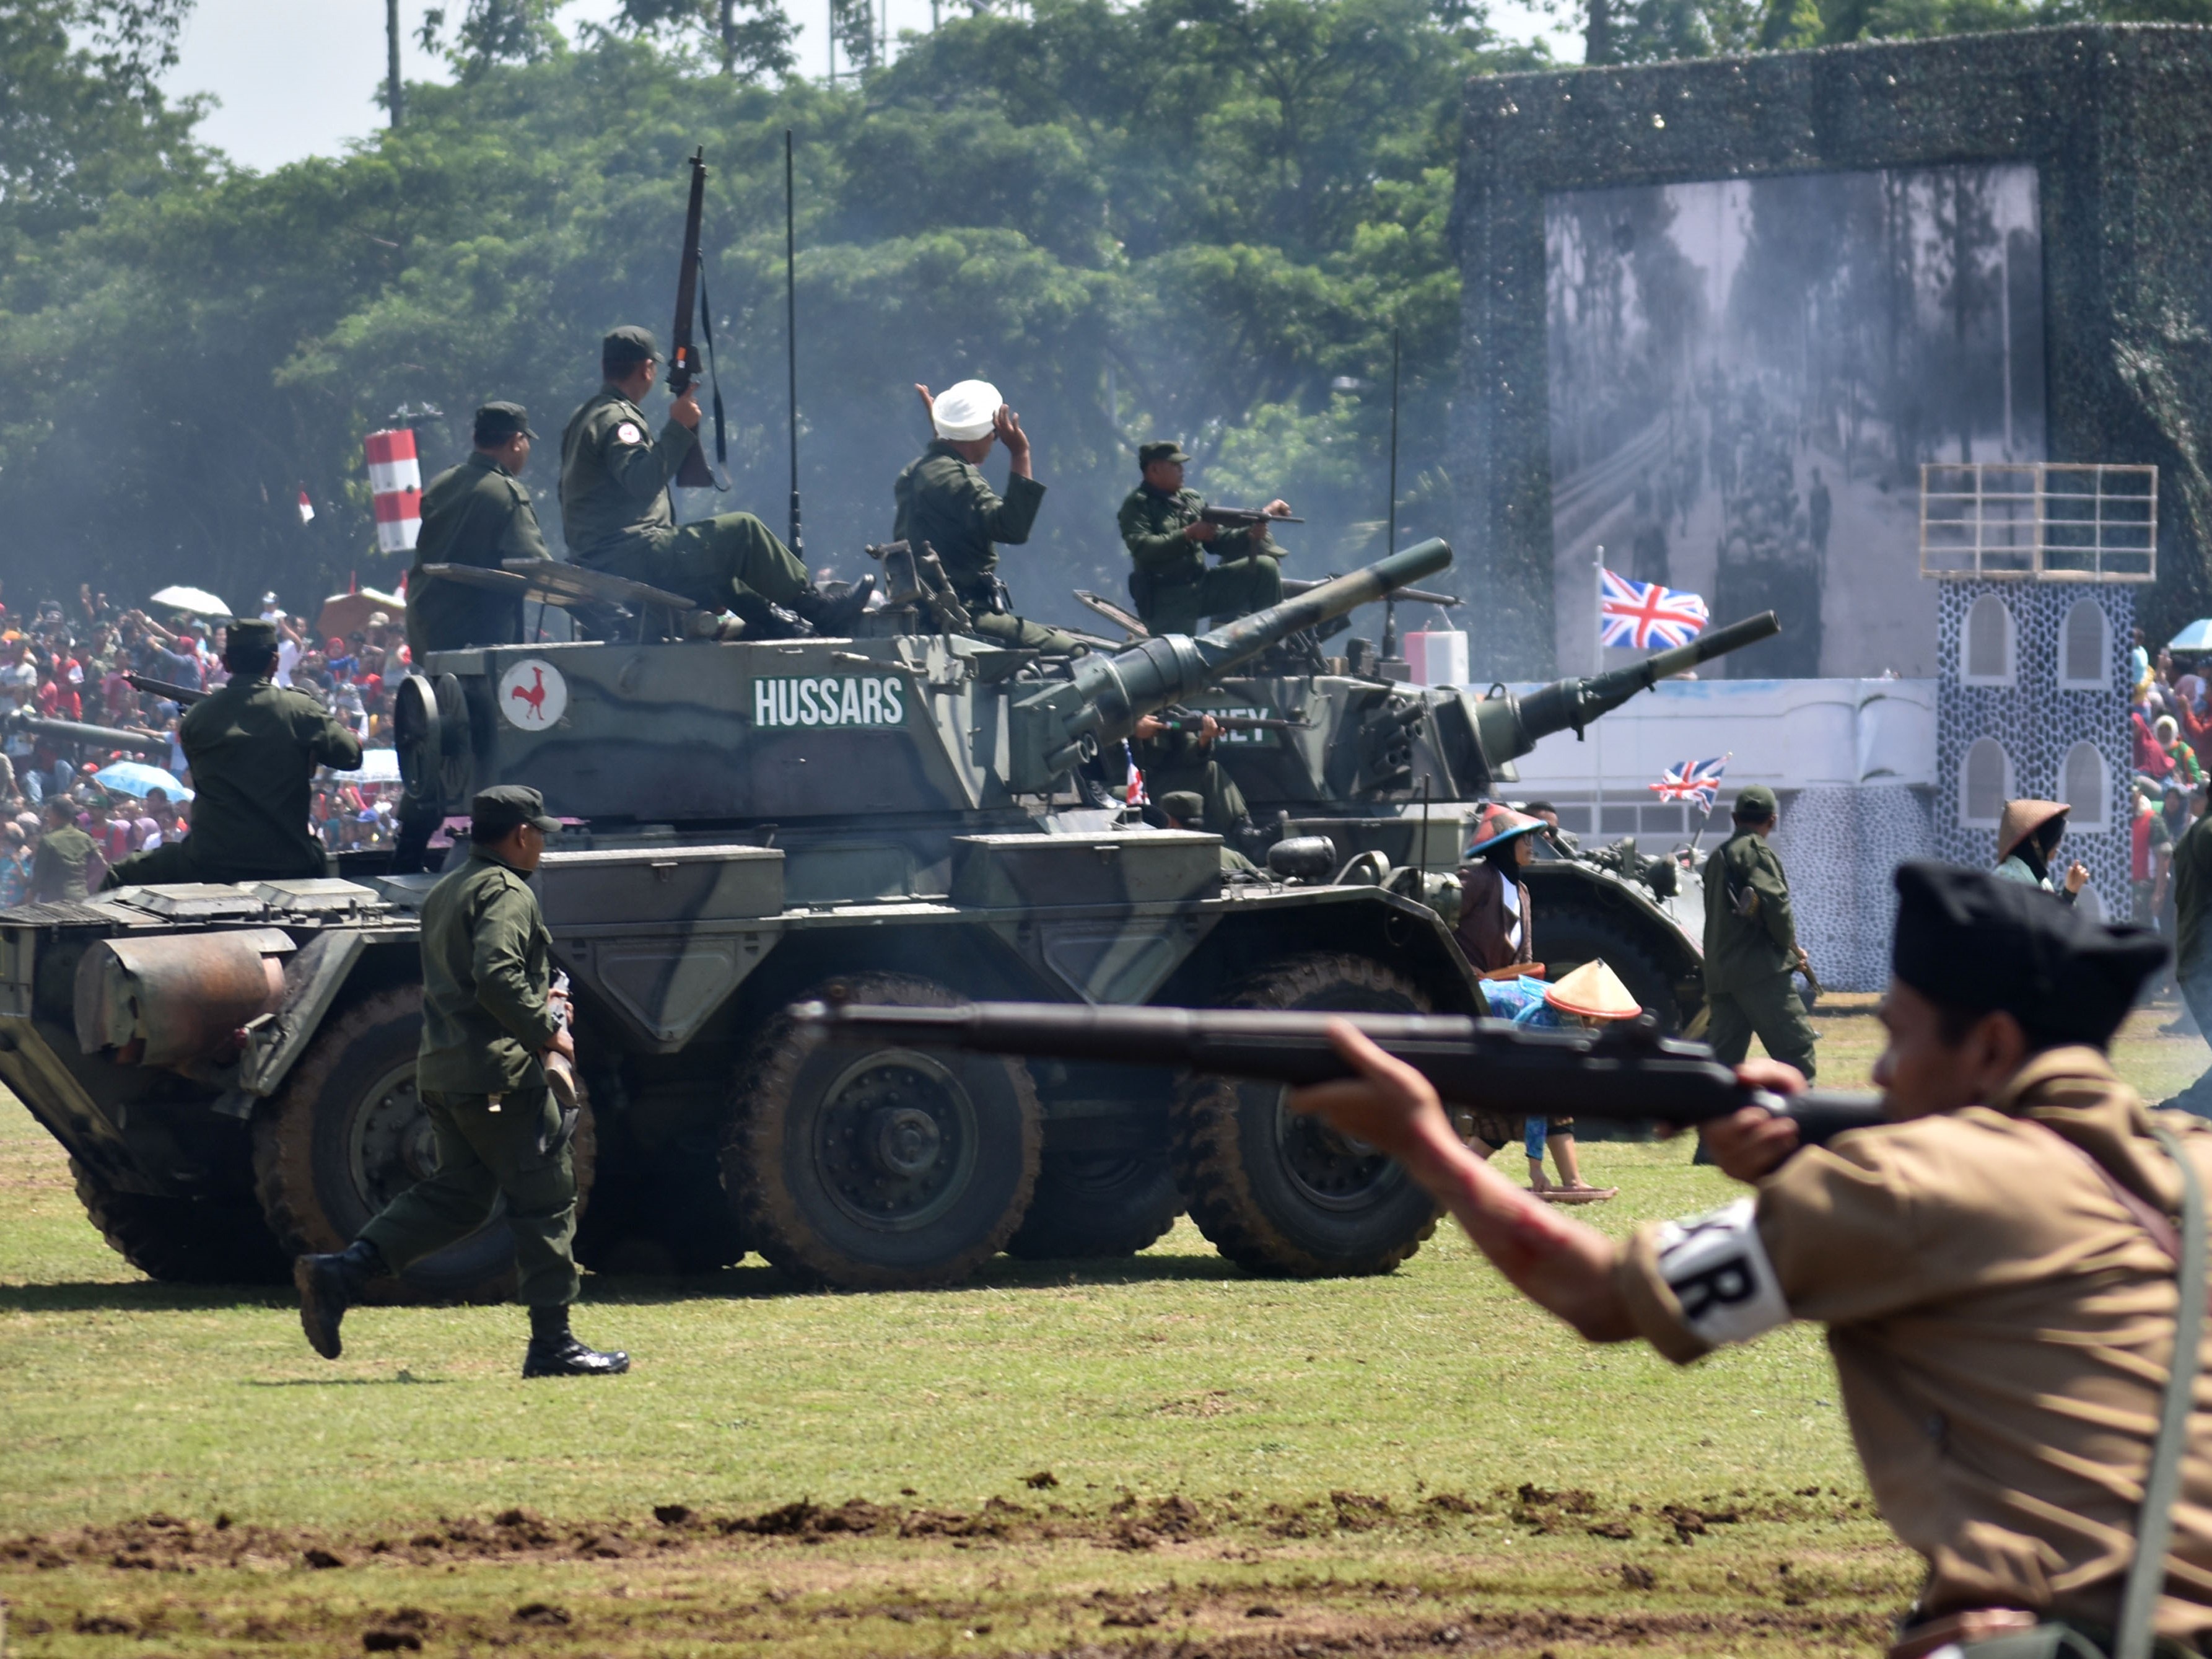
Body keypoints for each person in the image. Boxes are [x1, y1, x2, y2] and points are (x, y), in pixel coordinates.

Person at [1292, 861, 2212, 1656]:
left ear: (1992, 1046)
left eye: (1896, 1036)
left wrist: (1423, 1141)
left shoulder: (1900, 1184)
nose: (1879, 1073)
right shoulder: (2190, 1160)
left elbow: (1596, 1294)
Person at [293, 786, 626, 1379]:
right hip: (500, 1074)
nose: (544, 844)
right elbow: (495, 971)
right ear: (521, 835)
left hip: (448, 1071)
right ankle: (553, 1345)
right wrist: (546, 1030)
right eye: (540, 833)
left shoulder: (449, 888)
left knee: (460, 1197)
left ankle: (340, 1272)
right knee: (546, 1196)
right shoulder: (507, 892)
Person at [558, 327, 866, 636]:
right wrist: (678, 427)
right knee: (742, 531)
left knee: (717, 564)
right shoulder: (618, 419)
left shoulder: (586, 416)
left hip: (605, 557)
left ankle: (780, 624)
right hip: (628, 556)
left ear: (604, 367)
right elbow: (642, 480)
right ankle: (815, 607)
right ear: (647, 369)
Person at [102, 619, 362, 889]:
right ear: (275, 662)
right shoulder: (300, 709)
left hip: (210, 860)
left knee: (119, 876)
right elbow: (351, 755)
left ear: (226, 664)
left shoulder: (198, 718)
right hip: (289, 859)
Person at [893, 379, 1077, 652]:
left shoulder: (915, 472)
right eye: (995, 434)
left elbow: (946, 475)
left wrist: (944, 430)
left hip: (921, 614)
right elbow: (1012, 528)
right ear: (983, 434)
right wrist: (1020, 453)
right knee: (1077, 653)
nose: (994, 441)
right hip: (963, 616)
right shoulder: (961, 480)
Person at [1472, 958, 1625, 1202]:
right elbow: (1536, 1103)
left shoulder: (1561, 1010)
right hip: (1475, 1034)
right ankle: (1453, 1176)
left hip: (1494, 1041)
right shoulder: (1545, 1024)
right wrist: (1536, 1168)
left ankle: (1573, 1182)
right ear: (1585, 1013)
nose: (1603, 1026)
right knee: (1501, 1119)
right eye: (1600, 1019)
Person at [409, 406, 549, 657]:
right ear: (517, 442)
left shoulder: (442, 483)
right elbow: (536, 564)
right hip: (481, 640)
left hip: (429, 632)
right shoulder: (506, 493)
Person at [1701, 784, 1817, 1080]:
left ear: (1734, 818)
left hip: (1722, 974)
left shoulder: (1718, 857)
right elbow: (1776, 905)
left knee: (1721, 1068)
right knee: (1797, 1055)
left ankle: (1714, 1124)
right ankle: (1800, 1124)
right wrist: (1788, 947)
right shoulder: (1756, 851)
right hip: (1759, 973)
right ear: (1773, 820)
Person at [1116, 440, 1288, 635]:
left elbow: (1218, 542)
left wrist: (1249, 533)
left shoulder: (1190, 499)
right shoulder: (1138, 506)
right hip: (1167, 599)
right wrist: (1188, 534)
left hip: (1202, 586)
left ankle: (1270, 646)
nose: (1182, 470)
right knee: (1181, 660)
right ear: (1154, 469)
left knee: (1265, 568)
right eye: (1175, 465)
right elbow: (1143, 548)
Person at [1454, 803, 1546, 976]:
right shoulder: (1477, 880)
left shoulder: (1523, 892)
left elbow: (1526, 954)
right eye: (1525, 838)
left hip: (1502, 989)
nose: (1531, 845)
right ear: (1506, 843)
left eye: (1532, 838)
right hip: (1465, 988)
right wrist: (1466, 969)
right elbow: (1437, 926)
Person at [1130, 710, 1250, 841]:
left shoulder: (1163, 711)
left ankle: (1247, 835)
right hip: (1118, 791)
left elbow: (1187, 754)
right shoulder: (1111, 709)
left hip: (1156, 784)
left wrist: (1204, 739)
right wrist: (1130, 730)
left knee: (1211, 770)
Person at [1993, 799, 2088, 903]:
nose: (2059, 843)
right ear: (2035, 841)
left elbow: (2053, 916)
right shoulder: (2007, 881)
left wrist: (2070, 892)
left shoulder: (2041, 881)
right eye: (2054, 838)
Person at [27, 796, 94, 902]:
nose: (48, 817)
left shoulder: (49, 840)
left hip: (55, 900)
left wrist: (28, 898)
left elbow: (39, 876)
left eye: (49, 813)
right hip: (81, 897)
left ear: (55, 814)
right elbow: (101, 864)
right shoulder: (85, 838)